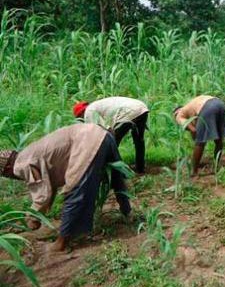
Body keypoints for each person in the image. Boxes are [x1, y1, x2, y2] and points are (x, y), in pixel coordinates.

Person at [0, 124, 131, 252]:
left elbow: (42, 195)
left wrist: (32, 217)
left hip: (87, 142)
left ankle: (61, 243)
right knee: (116, 177)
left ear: (6, 170)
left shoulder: (20, 166)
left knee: (75, 192)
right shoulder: (26, 153)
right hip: (102, 134)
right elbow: (48, 186)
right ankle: (127, 213)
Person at [73, 97, 149, 173]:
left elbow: (106, 130)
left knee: (112, 143)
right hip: (141, 108)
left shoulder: (88, 112)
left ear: (81, 114)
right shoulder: (96, 106)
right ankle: (140, 168)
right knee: (139, 140)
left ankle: (118, 171)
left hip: (128, 112)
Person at [173, 95, 225, 175]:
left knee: (200, 142)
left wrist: (196, 138)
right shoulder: (191, 107)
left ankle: (194, 171)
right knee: (218, 140)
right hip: (220, 104)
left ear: (176, 112)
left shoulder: (179, 115)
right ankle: (216, 165)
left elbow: (193, 130)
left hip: (207, 107)